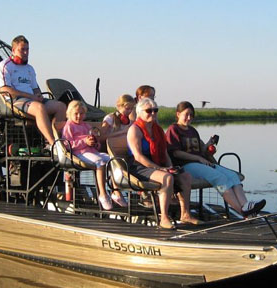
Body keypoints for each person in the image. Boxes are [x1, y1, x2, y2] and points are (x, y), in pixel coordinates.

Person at [166, 101, 266, 217]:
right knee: (219, 178)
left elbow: (200, 150)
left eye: (191, 115)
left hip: (199, 163)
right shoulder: (173, 129)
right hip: (185, 166)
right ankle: (242, 212)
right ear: (178, 114)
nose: (189, 118)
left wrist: (209, 145)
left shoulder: (192, 130)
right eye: (186, 114)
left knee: (233, 176)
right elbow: (176, 153)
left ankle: (246, 206)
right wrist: (197, 158)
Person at [126, 97, 201, 229]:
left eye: (155, 110)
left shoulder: (157, 129)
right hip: (139, 166)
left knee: (185, 176)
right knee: (166, 177)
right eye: (149, 111)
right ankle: (164, 217)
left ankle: (185, 214)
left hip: (157, 162)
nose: (153, 113)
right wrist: (159, 168)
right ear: (139, 112)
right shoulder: (135, 129)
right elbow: (138, 156)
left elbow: (164, 152)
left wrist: (169, 166)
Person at [0, 35, 67, 148]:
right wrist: (31, 97)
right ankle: (53, 144)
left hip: (32, 100)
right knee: (39, 108)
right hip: (15, 101)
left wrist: (38, 95)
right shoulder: (4, 66)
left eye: (27, 49)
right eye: (22, 49)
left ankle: (58, 139)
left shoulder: (29, 68)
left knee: (61, 106)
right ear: (13, 50)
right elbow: (5, 90)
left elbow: (35, 88)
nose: (25, 52)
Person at [62, 100, 127, 210]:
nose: (79, 116)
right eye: (76, 114)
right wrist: (84, 142)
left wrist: (95, 143)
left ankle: (116, 192)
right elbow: (67, 145)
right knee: (100, 162)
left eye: (81, 113)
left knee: (114, 160)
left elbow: (94, 143)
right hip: (79, 153)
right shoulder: (69, 126)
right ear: (70, 113)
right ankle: (103, 194)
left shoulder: (86, 126)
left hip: (91, 152)